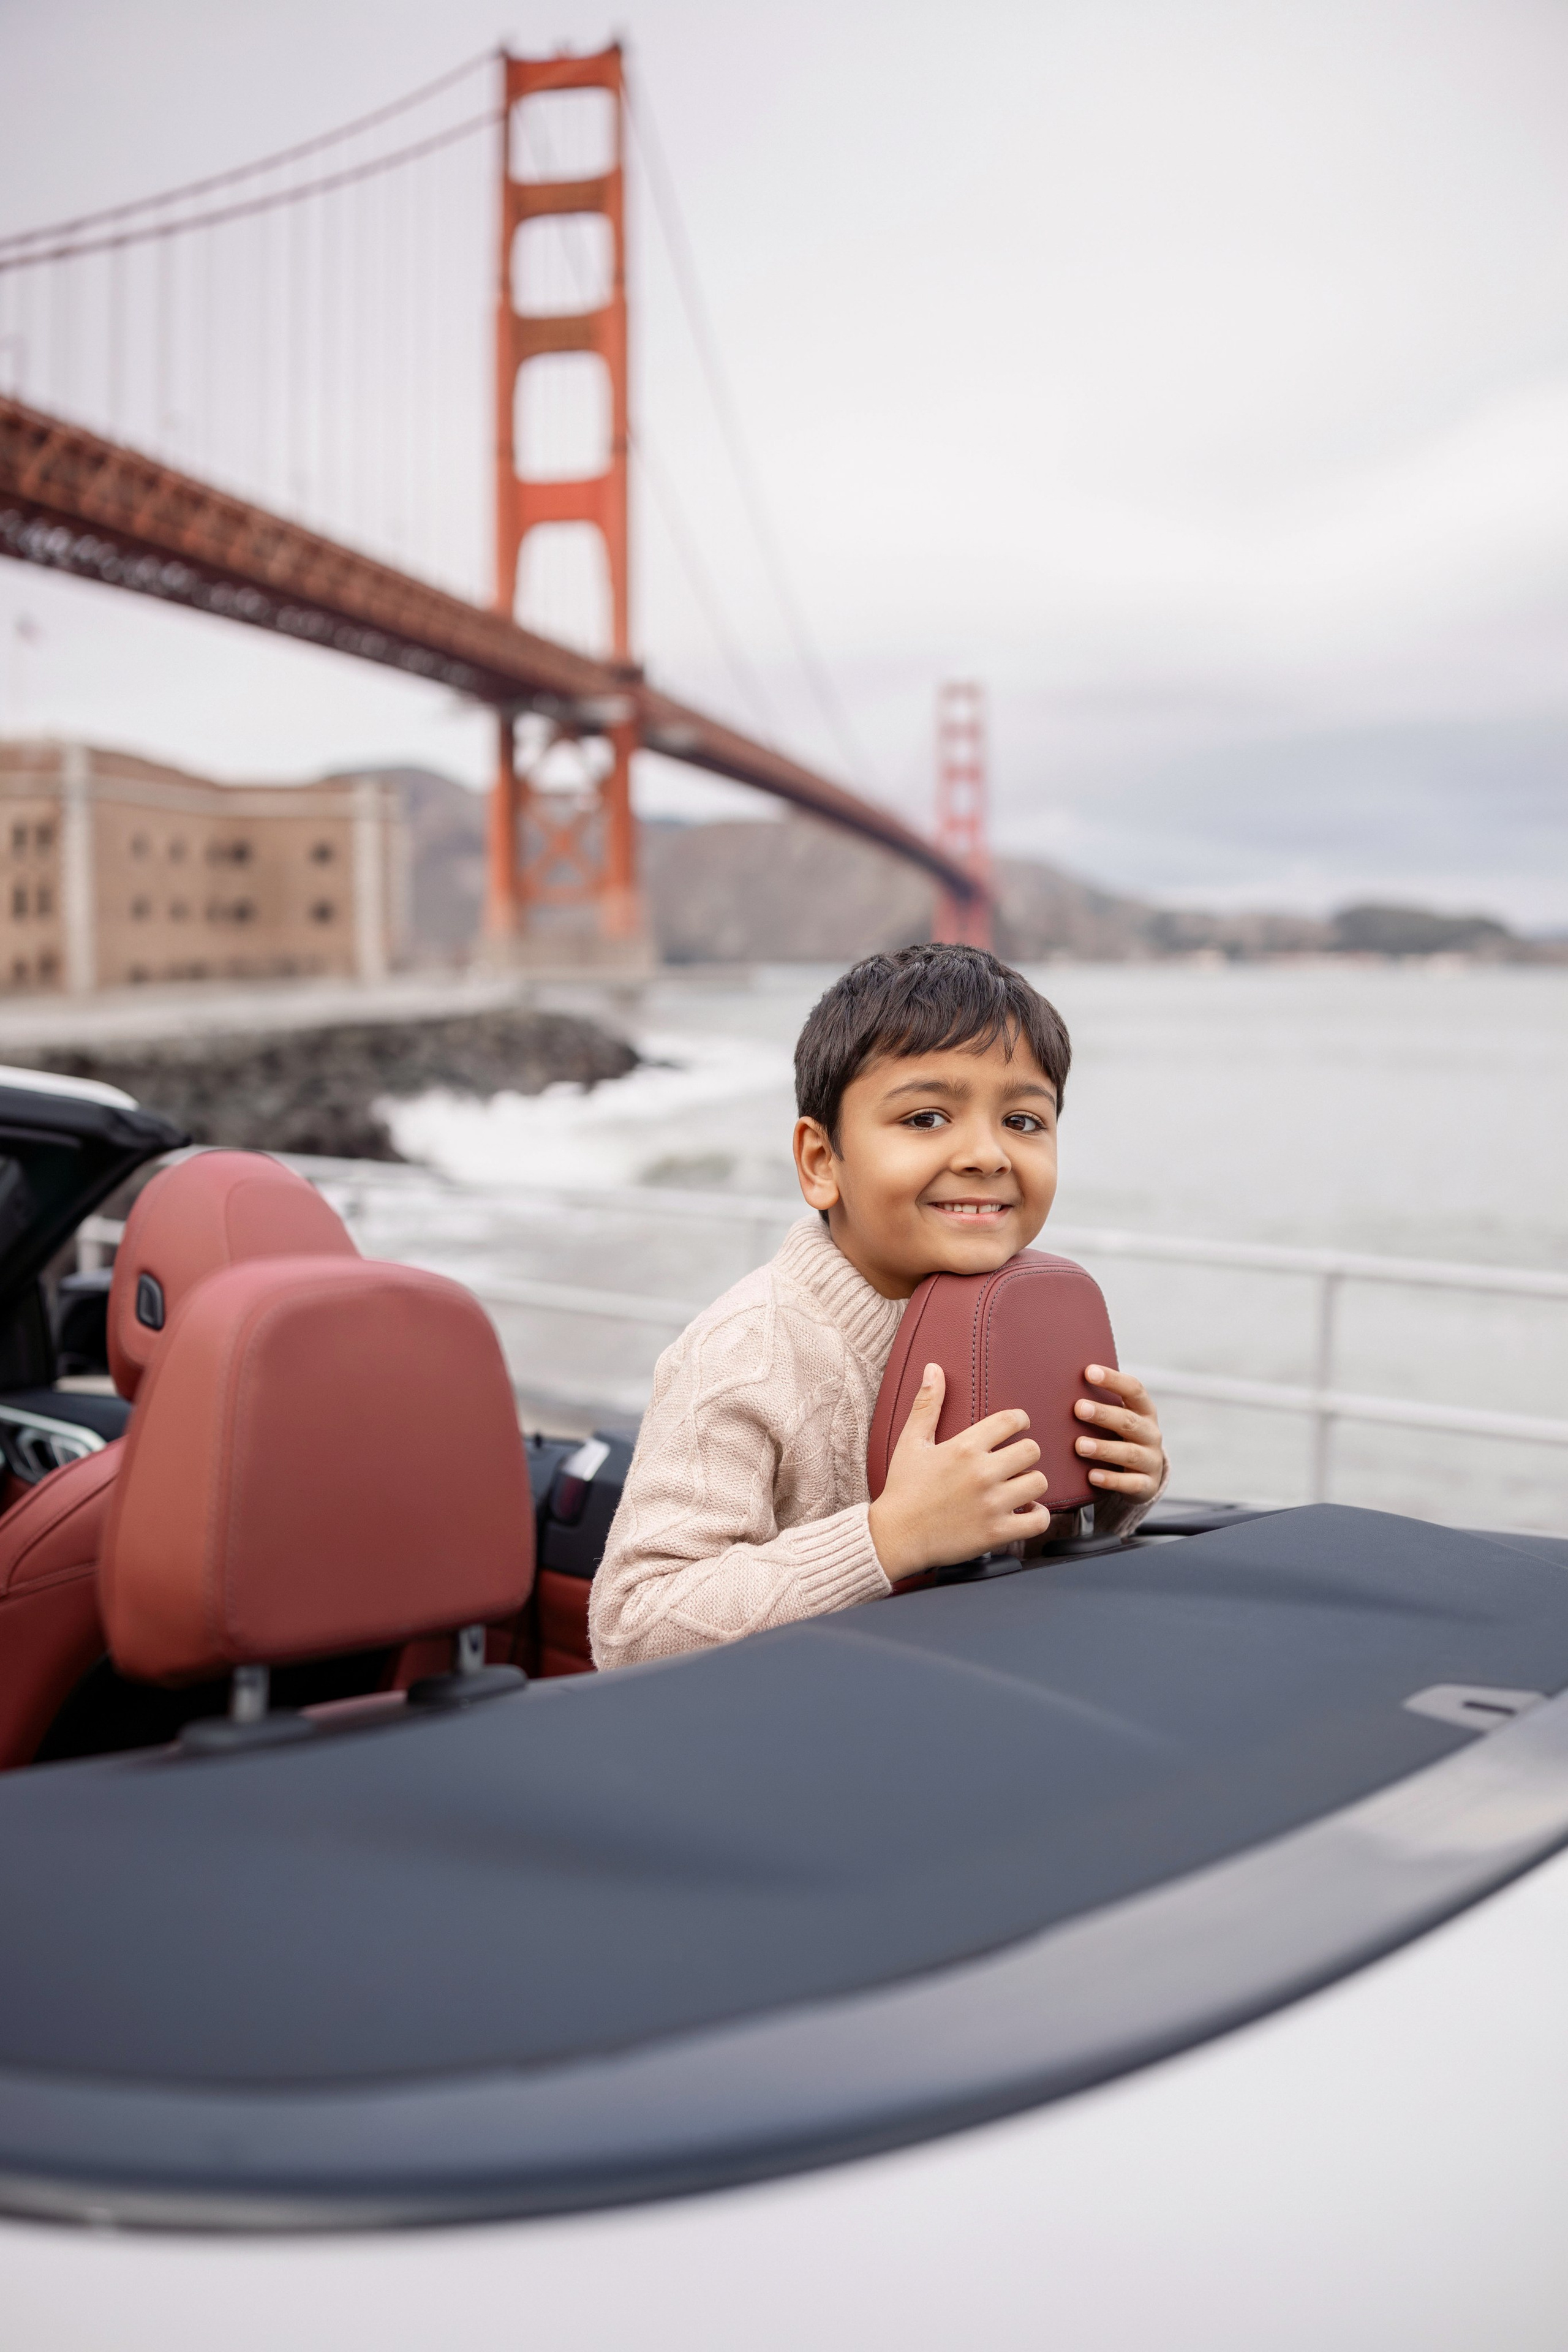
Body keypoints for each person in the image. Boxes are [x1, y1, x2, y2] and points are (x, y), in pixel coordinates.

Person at [589, 944, 1166, 1670]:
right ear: (820, 1162)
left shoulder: (1021, 1325)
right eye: (926, 1118)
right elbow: (633, 1630)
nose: (987, 1154)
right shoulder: (746, 1350)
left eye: (1023, 1122)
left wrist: (1108, 1492)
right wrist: (888, 1539)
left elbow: (1010, 1569)